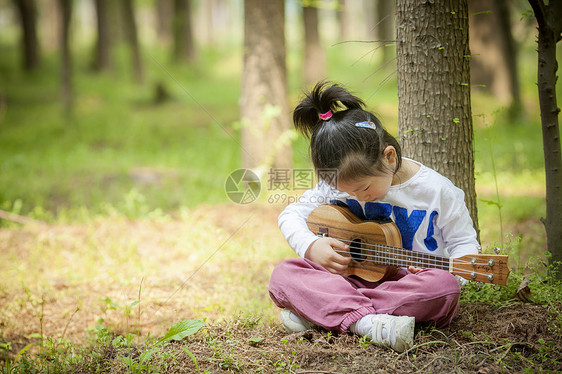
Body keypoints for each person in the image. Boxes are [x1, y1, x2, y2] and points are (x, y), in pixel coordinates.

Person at [268, 81, 480, 353]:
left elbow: (465, 244)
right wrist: (312, 245)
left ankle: (326, 311)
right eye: (345, 191)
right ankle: (368, 323)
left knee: (444, 288)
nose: (356, 197)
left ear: (389, 157)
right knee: (284, 273)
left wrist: (449, 271)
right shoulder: (334, 184)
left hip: (406, 286)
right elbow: (291, 214)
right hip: (348, 278)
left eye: (363, 189)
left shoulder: (437, 191)